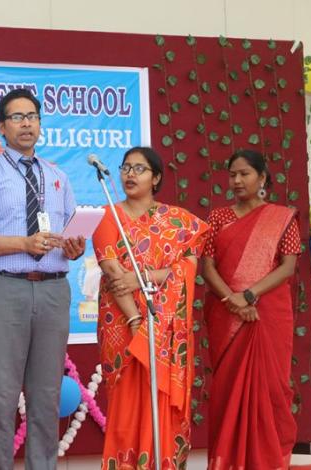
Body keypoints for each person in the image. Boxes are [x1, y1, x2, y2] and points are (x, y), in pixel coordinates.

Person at [0, 88, 85, 469]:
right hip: (5, 288)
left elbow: (68, 234)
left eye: (32, 116)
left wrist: (74, 247)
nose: (26, 124)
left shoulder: (57, 176)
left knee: (46, 394)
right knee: (1, 393)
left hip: (53, 289)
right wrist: (22, 243)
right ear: (2, 127)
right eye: (17, 117)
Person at [92, 146, 209, 470]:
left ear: (156, 178)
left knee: (161, 404)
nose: (130, 174)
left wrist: (140, 277)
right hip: (122, 324)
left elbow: (186, 268)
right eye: (126, 167)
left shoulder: (178, 221)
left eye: (139, 169)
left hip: (165, 326)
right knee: (127, 407)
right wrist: (134, 320)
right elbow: (113, 272)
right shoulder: (107, 216)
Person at [202, 149, 300, 470]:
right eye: (232, 174)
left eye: (244, 174)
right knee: (228, 392)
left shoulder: (282, 218)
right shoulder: (218, 217)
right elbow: (207, 267)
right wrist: (233, 300)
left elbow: (287, 267)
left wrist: (249, 295)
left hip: (268, 314)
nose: (237, 180)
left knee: (270, 391)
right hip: (226, 313)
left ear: (262, 178)